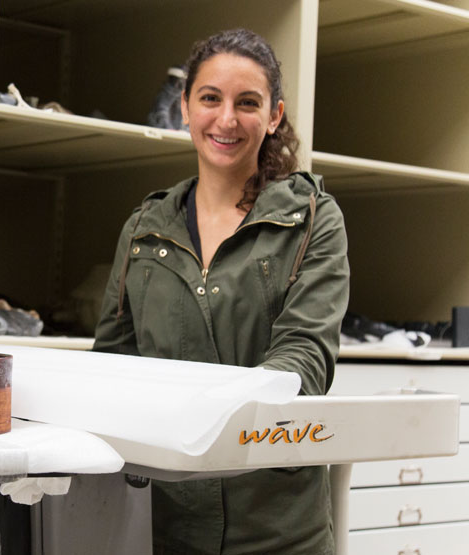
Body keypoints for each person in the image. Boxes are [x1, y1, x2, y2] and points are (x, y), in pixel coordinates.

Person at [93, 28, 350, 554]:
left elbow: (304, 363)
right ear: (185, 107)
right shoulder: (146, 227)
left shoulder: (311, 220)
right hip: (168, 524)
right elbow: (114, 364)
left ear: (274, 115)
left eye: (247, 103)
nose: (226, 119)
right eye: (210, 98)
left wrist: (203, 414)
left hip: (277, 530)